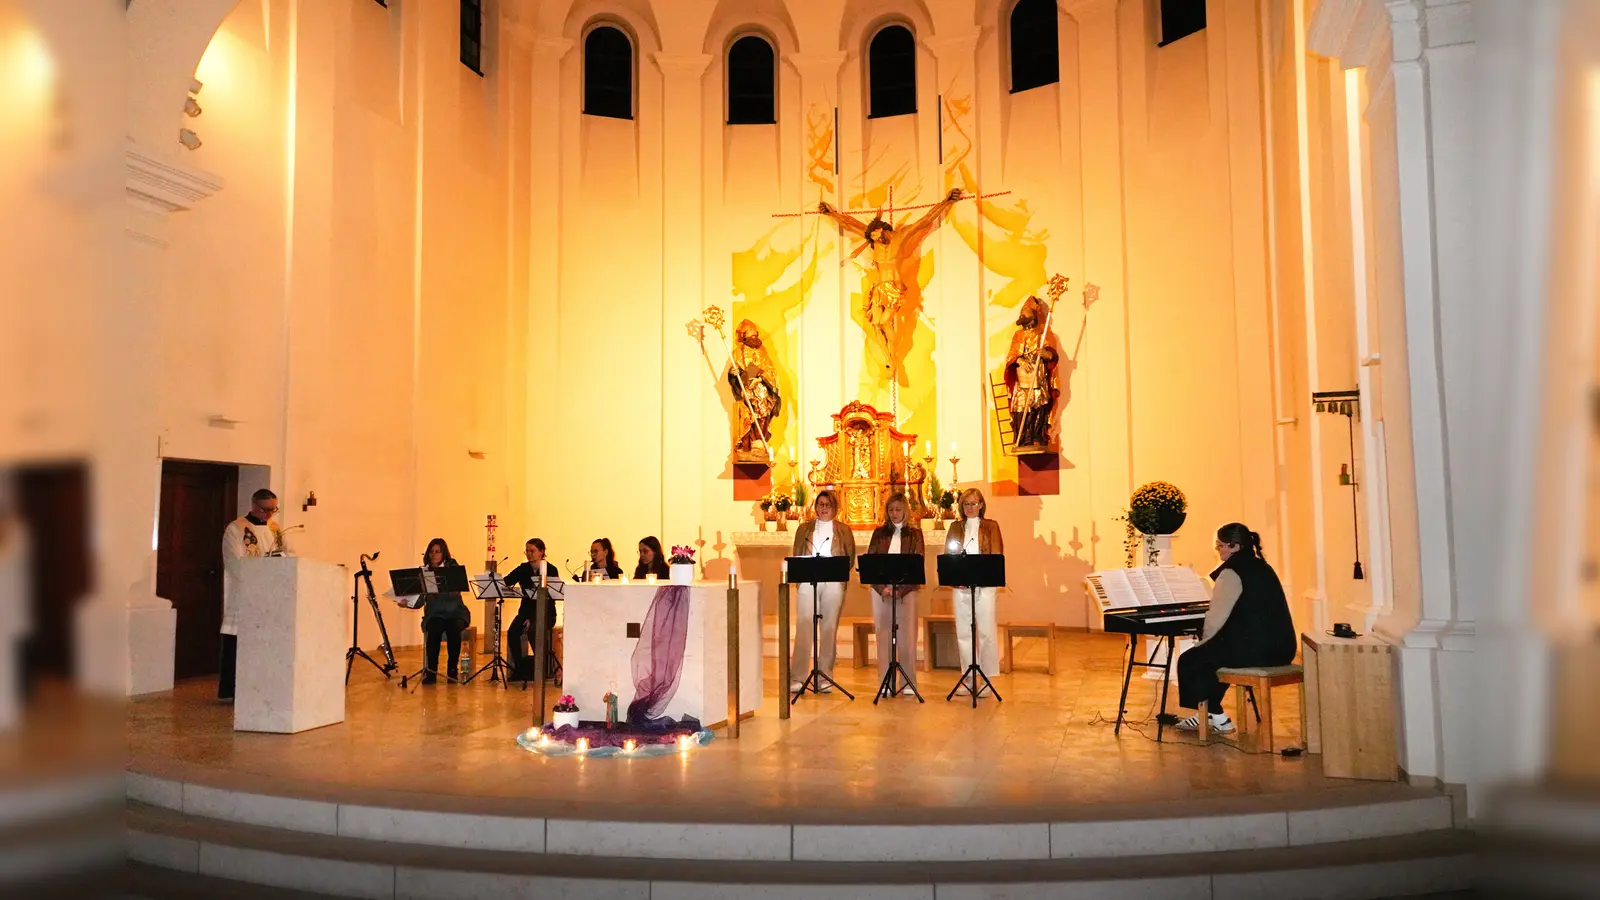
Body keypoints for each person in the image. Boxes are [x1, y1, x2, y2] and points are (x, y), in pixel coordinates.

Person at [1175, 523, 1297, 734]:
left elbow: (1216, 617)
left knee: (1192, 659)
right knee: (1216, 657)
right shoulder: (1263, 566)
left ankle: (1214, 716)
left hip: (1257, 651)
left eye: (1220, 546)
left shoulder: (1231, 572)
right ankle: (1213, 714)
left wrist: (1203, 641)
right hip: (1283, 648)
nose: (1218, 550)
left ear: (1234, 546)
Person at [219, 489, 287, 702]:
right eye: (265, 509)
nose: (269, 514)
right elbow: (234, 562)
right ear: (253, 505)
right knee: (240, 640)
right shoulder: (237, 528)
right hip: (245, 594)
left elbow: (287, 556)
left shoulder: (276, 529)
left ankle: (263, 687)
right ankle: (233, 690)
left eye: (273, 509)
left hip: (271, 595)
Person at [788, 490, 856, 692]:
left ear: (835, 507)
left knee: (829, 628)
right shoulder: (804, 529)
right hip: (809, 580)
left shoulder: (843, 529)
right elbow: (797, 552)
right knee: (804, 626)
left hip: (834, 582)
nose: (823, 508)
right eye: (820, 504)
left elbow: (849, 557)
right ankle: (797, 676)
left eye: (827, 504)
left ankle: (824, 676)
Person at [943, 488, 1003, 696]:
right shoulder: (955, 527)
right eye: (966, 504)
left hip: (985, 585)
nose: (970, 508)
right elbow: (949, 555)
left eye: (974, 503)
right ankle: (968, 677)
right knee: (964, 631)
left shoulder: (991, 526)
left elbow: (996, 554)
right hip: (961, 585)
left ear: (981, 505)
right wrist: (954, 577)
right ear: (961, 506)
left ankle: (986, 678)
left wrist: (988, 576)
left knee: (986, 630)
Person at [865, 493, 922, 695]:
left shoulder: (915, 534)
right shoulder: (879, 534)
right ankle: (886, 682)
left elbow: (917, 563)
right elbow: (870, 563)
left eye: (898, 509)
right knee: (883, 635)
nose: (894, 514)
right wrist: (883, 588)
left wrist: (900, 589)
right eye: (890, 510)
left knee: (907, 636)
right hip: (882, 592)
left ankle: (908, 682)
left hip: (906, 592)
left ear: (905, 510)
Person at [502, 538, 559, 681]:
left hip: (546, 612)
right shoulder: (522, 569)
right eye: (527, 551)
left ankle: (541, 668)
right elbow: (506, 582)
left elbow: (553, 594)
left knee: (534, 631)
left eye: (532, 551)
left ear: (542, 552)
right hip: (526, 612)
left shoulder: (551, 569)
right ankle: (520, 668)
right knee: (513, 631)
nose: (529, 554)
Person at [419, 538, 470, 685]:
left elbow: (454, 594)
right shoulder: (424, 571)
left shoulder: (453, 568)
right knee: (434, 629)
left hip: (455, 612)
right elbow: (422, 599)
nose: (433, 555)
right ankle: (431, 672)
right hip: (435, 614)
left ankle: (452, 670)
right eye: (431, 551)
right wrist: (408, 603)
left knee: (454, 629)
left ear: (444, 554)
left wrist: (436, 590)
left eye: (437, 551)